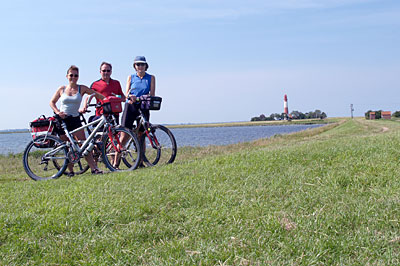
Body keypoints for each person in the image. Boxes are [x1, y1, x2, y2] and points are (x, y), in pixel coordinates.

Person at [50, 65, 105, 176]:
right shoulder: (62, 89)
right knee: (67, 147)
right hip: (62, 120)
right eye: (71, 75)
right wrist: (57, 112)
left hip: (75, 119)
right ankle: (70, 171)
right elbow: (52, 102)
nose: (73, 77)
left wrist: (107, 99)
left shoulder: (82, 88)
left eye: (76, 75)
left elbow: (95, 94)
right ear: (67, 76)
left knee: (83, 144)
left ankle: (94, 168)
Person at [121, 56, 155, 129]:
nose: (140, 66)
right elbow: (127, 93)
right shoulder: (131, 77)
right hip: (131, 105)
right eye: (138, 64)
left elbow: (152, 94)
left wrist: (144, 97)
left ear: (146, 66)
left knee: (142, 132)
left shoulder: (151, 78)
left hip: (143, 105)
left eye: (142, 64)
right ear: (135, 66)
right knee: (125, 131)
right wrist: (130, 96)